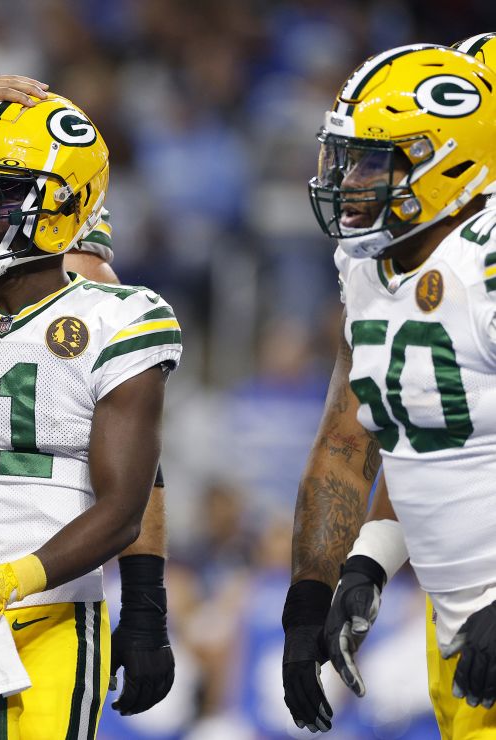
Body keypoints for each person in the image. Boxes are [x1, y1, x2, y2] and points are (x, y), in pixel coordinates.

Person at [0, 93, 180, 738]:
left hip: (50, 605)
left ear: (63, 208)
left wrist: (144, 605)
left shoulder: (116, 313)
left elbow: (128, 495)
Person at [287, 44, 496, 737]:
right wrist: (329, 585)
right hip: (457, 620)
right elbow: (355, 441)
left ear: (450, 159)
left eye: (375, 160)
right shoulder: (369, 264)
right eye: (346, 158)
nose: (350, 180)